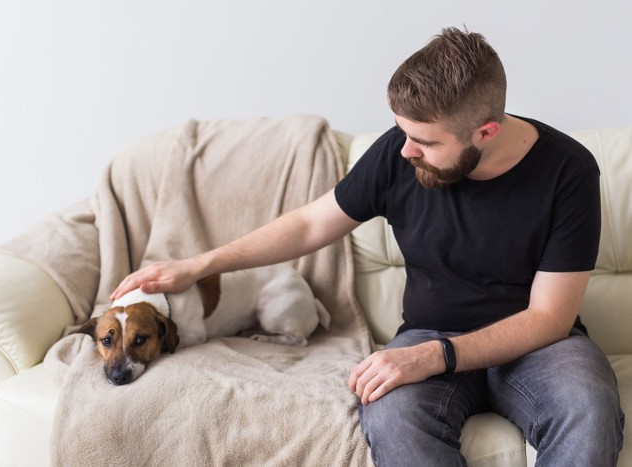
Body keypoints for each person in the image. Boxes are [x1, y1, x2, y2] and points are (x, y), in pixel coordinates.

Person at [110, 27, 624, 466]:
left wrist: (436, 356)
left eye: (425, 142)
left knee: (589, 406)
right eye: (403, 132)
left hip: (536, 345)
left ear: (485, 132)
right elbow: (311, 225)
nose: (406, 150)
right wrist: (200, 264)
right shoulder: (398, 153)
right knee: (393, 415)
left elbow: (549, 318)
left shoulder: (568, 171)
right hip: (427, 331)